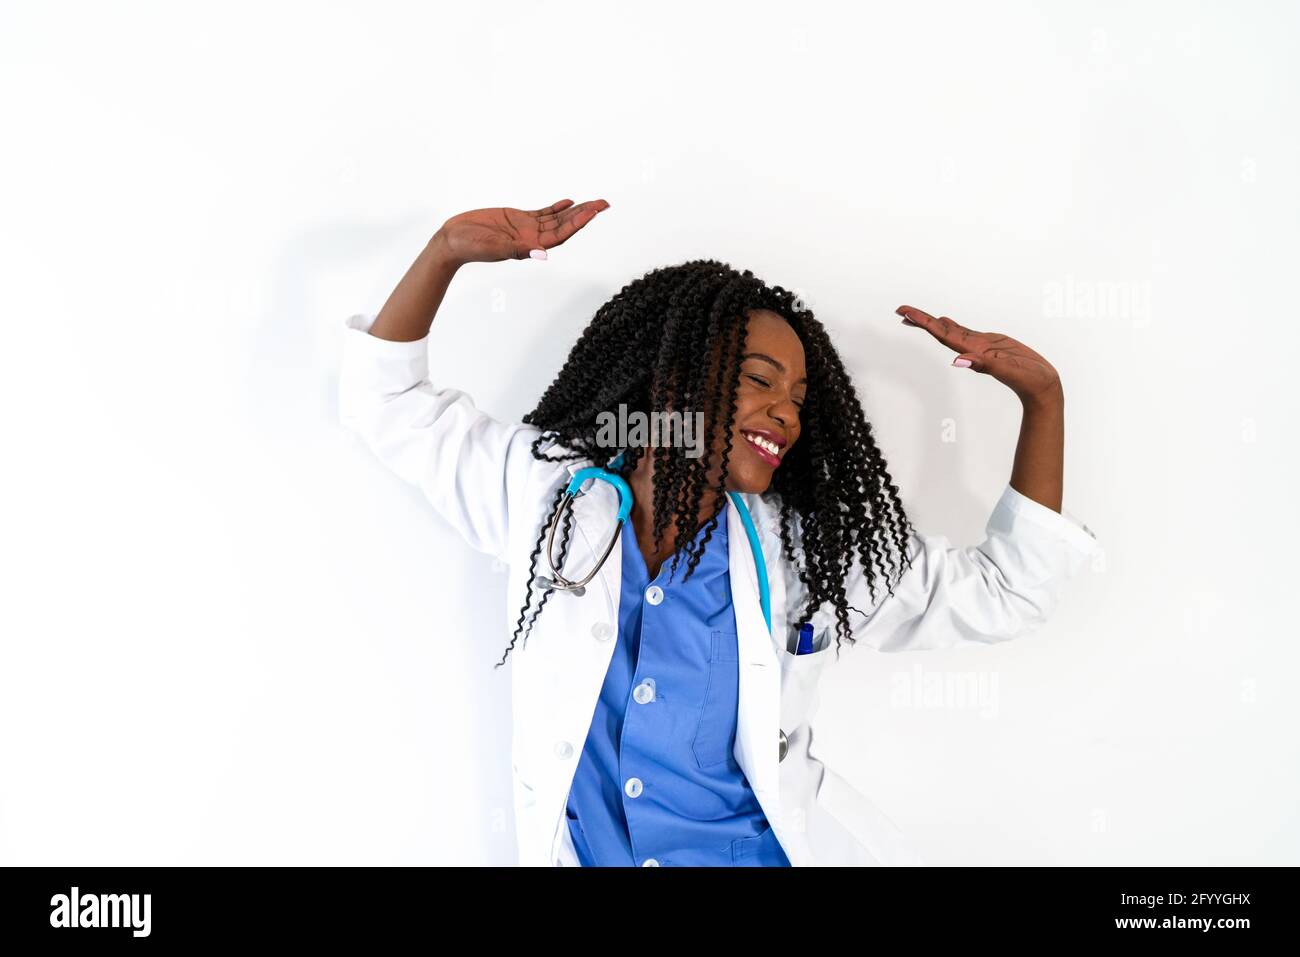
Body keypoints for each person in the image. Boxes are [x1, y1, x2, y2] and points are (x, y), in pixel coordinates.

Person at [337, 198, 1101, 866]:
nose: (789, 414)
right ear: (677, 378)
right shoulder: (546, 499)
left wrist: (1045, 400)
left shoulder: (807, 553)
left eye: (800, 396)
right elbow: (390, 406)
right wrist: (445, 253)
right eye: (761, 380)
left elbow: (1009, 590)